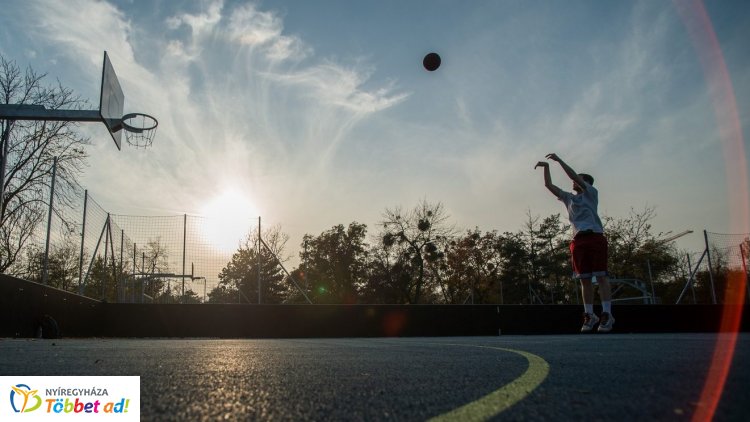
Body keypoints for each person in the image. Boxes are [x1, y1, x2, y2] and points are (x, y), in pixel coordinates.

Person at [535, 153, 614, 333]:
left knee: (601, 276)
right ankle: (589, 314)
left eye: (579, 180)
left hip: (595, 237)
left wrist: (559, 160)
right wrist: (546, 168)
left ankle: (607, 314)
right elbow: (549, 185)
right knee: (584, 280)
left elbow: (572, 175)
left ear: (586, 183)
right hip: (578, 241)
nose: (573, 182)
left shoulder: (591, 194)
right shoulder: (569, 198)